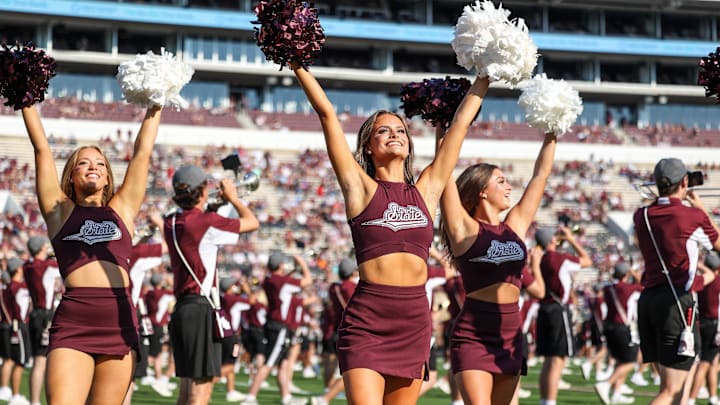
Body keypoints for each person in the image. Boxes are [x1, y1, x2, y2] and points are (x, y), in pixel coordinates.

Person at [292, 59, 489, 404]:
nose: (395, 135)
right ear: (368, 146)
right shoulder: (360, 188)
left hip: (414, 321)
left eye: (400, 130)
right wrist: (297, 64)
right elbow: (327, 115)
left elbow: (459, 126)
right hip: (368, 319)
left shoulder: (426, 191)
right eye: (383, 130)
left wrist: (486, 74)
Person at [21, 99, 162, 404]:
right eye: (83, 163)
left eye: (99, 163)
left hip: (119, 322)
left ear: (108, 177)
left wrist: (157, 102)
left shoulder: (122, 210)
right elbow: (42, 150)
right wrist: (25, 98)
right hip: (74, 321)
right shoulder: (59, 213)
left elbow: (142, 154)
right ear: (71, 176)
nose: (93, 167)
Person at [438, 123, 557, 404]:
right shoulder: (464, 229)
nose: (509, 186)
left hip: (511, 334)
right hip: (474, 335)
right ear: (481, 190)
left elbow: (540, 175)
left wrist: (553, 129)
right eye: (500, 181)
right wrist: (442, 128)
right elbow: (443, 173)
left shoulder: (514, 226)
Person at [165, 164, 259, 405]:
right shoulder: (207, 222)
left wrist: (214, 204)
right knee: (201, 391)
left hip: (183, 309)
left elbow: (193, 222)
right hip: (200, 308)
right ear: (203, 190)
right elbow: (251, 222)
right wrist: (234, 199)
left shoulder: (171, 222)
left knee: (186, 389)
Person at [634, 158, 720, 405]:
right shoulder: (692, 216)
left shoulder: (642, 215)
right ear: (685, 182)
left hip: (649, 299)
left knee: (675, 387)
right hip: (677, 303)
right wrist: (701, 208)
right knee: (670, 391)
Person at [241, 253, 312, 405]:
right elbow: (308, 281)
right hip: (279, 325)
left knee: (283, 363)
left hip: (272, 324)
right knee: (269, 363)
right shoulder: (282, 281)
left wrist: (291, 271)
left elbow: (280, 279)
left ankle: (286, 397)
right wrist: (302, 263)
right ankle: (250, 397)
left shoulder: (268, 280)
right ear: (281, 265)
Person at [534, 224, 592, 405]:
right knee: (558, 359)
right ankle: (550, 402)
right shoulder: (558, 258)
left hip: (544, 309)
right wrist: (570, 239)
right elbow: (587, 260)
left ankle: (545, 401)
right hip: (558, 310)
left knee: (548, 360)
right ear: (553, 240)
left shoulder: (541, 259)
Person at [593, 262, 643, 405]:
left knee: (620, 361)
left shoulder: (608, 288)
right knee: (630, 362)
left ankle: (616, 393)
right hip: (622, 328)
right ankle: (606, 384)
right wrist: (633, 273)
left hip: (609, 327)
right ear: (626, 275)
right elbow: (644, 286)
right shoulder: (629, 288)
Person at [22, 236, 60, 405]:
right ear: (41, 249)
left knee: (41, 358)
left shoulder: (27, 266)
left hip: (36, 314)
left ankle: (34, 400)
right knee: (42, 360)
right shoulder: (46, 267)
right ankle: (36, 401)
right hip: (46, 316)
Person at [688, 252, 720, 405]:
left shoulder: (702, 281)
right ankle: (692, 399)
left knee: (712, 363)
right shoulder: (717, 280)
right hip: (714, 325)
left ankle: (713, 397)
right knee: (705, 363)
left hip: (702, 323)